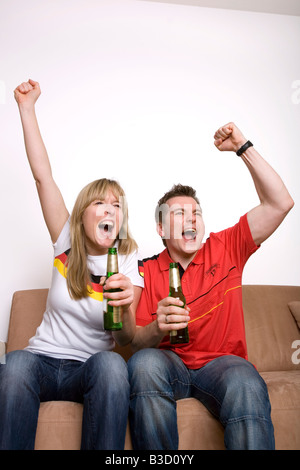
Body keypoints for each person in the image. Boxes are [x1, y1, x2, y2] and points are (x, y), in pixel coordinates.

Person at [128, 122, 294, 450]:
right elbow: (134, 342)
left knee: (246, 381)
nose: (191, 219)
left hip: (223, 365)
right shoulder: (145, 271)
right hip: (170, 365)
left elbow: (281, 203)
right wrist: (157, 328)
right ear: (161, 228)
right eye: (179, 214)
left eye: (196, 213)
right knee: (143, 364)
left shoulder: (227, 246)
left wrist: (243, 147)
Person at [0, 79, 143, 450]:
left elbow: (126, 339)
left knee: (113, 366)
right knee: (14, 363)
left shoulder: (127, 259)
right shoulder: (66, 242)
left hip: (90, 368)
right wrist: (27, 109)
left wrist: (126, 307)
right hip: (42, 361)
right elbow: (42, 175)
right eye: (101, 203)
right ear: (82, 215)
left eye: (116, 205)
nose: (110, 209)